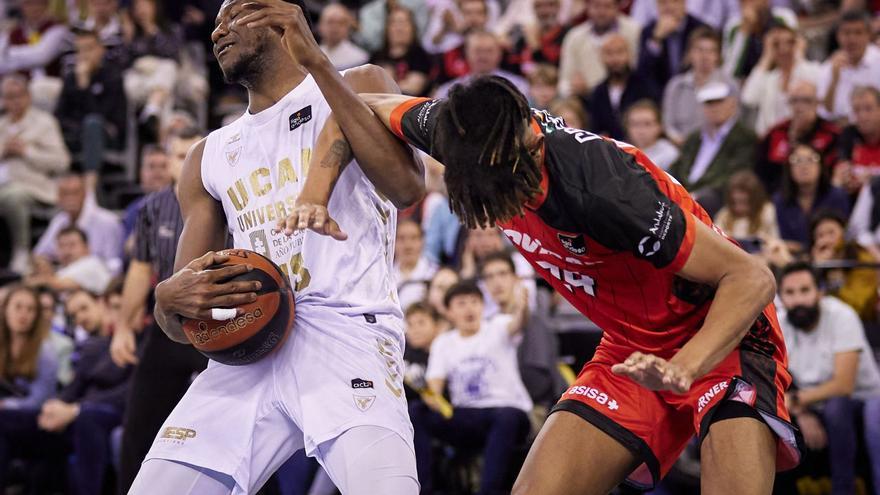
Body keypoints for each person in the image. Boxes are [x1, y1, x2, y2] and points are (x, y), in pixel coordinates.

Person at [353, 75, 803, 493]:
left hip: (724, 337)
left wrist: (684, 368)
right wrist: (315, 191)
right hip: (632, 346)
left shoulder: (602, 188)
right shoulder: (463, 132)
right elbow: (359, 92)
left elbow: (751, 276)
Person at [129, 0, 426, 493]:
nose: (217, 31)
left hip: (346, 330)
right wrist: (166, 299)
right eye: (215, 24)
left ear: (279, 14)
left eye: (233, 16)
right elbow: (184, 319)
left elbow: (407, 188)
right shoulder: (208, 154)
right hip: (248, 346)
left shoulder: (357, 82)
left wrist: (314, 59)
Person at [112, 127, 207, 494]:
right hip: (165, 328)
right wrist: (122, 327)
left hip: (216, 328)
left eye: (192, 155)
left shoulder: (225, 199)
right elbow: (139, 270)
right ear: (167, 162)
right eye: (179, 156)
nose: (185, 164)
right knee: (138, 429)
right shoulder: (153, 207)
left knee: (242, 425)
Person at [0, 288, 132, 495]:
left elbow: (130, 393)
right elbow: (74, 387)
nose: (80, 317)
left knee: (87, 419)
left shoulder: (140, 344)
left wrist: (75, 409)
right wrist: (58, 405)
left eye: (118, 307)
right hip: (76, 414)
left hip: (107, 414)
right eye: (74, 314)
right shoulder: (93, 346)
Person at [411, 280, 532, 495]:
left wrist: (522, 307)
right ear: (449, 312)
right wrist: (433, 398)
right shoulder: (443, 342)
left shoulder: (498, 327)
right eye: (461, 303)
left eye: (475, 302)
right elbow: (435, 384)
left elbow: (518, 323)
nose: (469, 308)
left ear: (483, 307)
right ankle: (424, 489)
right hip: (466, 416)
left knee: (505, 417)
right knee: (416, 411)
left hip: (507, 412)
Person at [777, 262, 880, 495]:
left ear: (819, 292)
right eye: (790, 293)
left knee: (837, 408)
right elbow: (772, 380)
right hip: (811, 402)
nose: (798, 300)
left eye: (805, 290)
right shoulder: (781, 324)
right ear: (781, 297)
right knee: (769, 415)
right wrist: (801, 412)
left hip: (861, 398)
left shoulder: (842, 315)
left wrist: (795, 402)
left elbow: (843, 385)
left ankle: (844, 489)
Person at [0, 75, 70, 273]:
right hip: (2, 184)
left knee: (13, 196)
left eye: (18, 96)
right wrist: (4, 151)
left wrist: (26, 151)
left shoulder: (44, 122)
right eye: (8, 97)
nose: (13, 101)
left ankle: (21, 251)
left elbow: (61, 162)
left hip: (33, 187)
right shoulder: (1, 125)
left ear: (28, 96)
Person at [480, 251, 563, 406]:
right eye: (489, 277)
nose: (496, 282)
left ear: (516, 279)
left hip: (535, 409)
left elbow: (538, 382)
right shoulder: (487, 325)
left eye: (502, 274)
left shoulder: (534, 322)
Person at [669, 80, 757, 216]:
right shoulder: (694, 138)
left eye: (719, 101)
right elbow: (677, 166)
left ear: (733, 104)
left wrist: (695, 194)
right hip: (684, 192)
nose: (714, 107)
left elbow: (735, 174)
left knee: (706, 199)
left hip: (714, 197)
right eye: (709, 103)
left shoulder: (744, 137)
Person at [54, 28, 128, 182]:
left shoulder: (112, 76)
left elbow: (101, 115)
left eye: (89, 49)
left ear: (100, 49)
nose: (84, 55)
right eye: (79, 50)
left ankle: (89, 193)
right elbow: (59, 115)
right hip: (76, 133)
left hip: (107, 133)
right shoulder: (70, 78)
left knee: (92, 123)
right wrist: (75, 128)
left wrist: (84, 87)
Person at [756, 80, 840, 195]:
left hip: (820, 196)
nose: (799, 107)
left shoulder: (832, 134)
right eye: (794, 101)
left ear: (817, 103)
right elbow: (761, 171)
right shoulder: (775, 133)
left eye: (806, 101)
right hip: (777, 196)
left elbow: (831, 172)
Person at [32, 173, 125, 275]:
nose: (70, 198)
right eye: (65, 194)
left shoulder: (108, 222)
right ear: (58, 197)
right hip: (63, 280)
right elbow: (39, 254)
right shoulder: (59, 220)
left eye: (75, 193)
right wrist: (43, 264)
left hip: (98, 281)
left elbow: (115, 266)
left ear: (85, 194)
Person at [740, 24, 820, 137]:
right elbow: (748, 98)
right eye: (776, 44)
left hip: (805, 137)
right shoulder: (769, 79)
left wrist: (799, 55)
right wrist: (766, 56)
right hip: (772, 140)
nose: (783, 49)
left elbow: (814, 87)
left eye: (790, 42)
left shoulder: (812, 69)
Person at [662, 26, 737, 145]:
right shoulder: (676, 85)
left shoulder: (729, 85)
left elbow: (734, 123)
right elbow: (668, 124)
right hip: (681, 147)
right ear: (690, 54)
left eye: (711, 51)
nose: (705, 56)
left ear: (718, 56)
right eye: (699, 50)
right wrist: (681, 143)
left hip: (717, 146)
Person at [774, 143, 851, 254]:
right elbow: (783, 241)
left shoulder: (837, 196)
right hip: (792, 261)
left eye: (811, 159)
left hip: (832, 258)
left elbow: (844, 236)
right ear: (788, 168)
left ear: (821, 165)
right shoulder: (780, 200)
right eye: (797, 160)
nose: (804, 166)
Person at [557, 0, 640, 97]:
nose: (601, 12)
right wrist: (573, 88)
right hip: (584, 101)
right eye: (596, 6)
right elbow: (564, 83)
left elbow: (639, 70)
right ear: (587, 7)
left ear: (617, 7)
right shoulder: (574, 37)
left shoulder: (634, 31)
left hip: (628, 97)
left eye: (607, 6)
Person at [588, 33, 660, 141]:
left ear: (629, 54)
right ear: (601, 57)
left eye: (619, 52)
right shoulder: (598, 93)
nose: (615, 59)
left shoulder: (645, 86)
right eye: (609, 53)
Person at [809, 209, 878, 321]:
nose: (826, 240)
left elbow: (857, 307)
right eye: (820, 235)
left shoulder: (863, 260)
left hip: (862, 323)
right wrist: (816, 270)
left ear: (844, 233)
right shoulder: (811, 263)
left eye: (831, 233)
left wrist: (834, 271)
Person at [0, 285, 58, 411]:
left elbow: (39, 401)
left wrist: (5, 405)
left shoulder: (45, 351)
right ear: (5, 310)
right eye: (18, 307)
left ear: (36, 316)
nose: (23, 314)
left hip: (29, 417)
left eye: (30, 309)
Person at [817, 9, 880, 123]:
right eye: (846, 33)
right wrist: (834, 80)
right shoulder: (828, 67)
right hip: (841, 130)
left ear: (868, 35)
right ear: (838, 36)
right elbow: (825, 112)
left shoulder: (878, 60)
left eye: (858, 32)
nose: (852, 39)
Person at [635, 0, 708, 91]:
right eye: (663, 2)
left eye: (675, 1)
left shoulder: (700, 29)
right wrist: (656, 39)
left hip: (694, 91)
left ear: (684, 3)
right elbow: (643, 73)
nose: (669, 7)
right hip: (659, 96)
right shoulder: (649, 32)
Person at [435, 30, 529, 99]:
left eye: (489, 51)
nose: (483, 56)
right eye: (478, 51)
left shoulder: (518, 87)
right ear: (466, 53)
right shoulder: (447, 92)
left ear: (499, 53)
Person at [721, 0, 797, 80]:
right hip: (745, 84)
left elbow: (796, 56)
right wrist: (743, 33)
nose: (752, 5)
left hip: (781, 80)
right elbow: (729, 73)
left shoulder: (783, 18)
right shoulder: (734, 26)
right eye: (746, 1)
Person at [26, 227, 114, 295]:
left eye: (72, 245)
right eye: (61, 246)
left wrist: (42, 276)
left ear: (87, 248)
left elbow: (59, 284)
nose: (66, 251)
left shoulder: (91, 263)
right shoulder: (60, 271)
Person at [368, 6, 432, 96]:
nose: (399, 28)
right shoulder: (376, 56)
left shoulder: (420, 56)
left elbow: (412, 89)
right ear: (387, 28)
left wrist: (386, 79)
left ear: (413, 29)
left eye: (404, 23)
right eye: (394, 23)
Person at [713, 170, 779, 251]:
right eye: (735, 202)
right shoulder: (725, 214)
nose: (738, 207)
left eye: (743, 202)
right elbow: (715, 239)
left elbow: (775, 242)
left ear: (754, 200)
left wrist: (764, 240)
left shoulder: (767, 211)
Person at [0, 0, 67, 79]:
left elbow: (42, 56)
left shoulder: (57, 29)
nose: (34, 8)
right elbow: (1, 61)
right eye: (29, 3)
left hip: (48, 84)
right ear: (22, 6)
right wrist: (30, 54)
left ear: (46, 5)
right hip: (17, 83)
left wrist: (9, 53)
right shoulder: (13, 32)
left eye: (38, 3)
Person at [836, 86, 880, 197]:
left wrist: (874, 180)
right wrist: (845, 179)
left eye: (868, 109)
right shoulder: (848, 135)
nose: (862, 116)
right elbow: (843, 166)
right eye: (856, 110)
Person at [395, 219, 438, 314]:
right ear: (393, 241)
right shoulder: (385, 276)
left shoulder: (435, 274)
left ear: (422, 241)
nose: (408, 245)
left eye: (413, 238)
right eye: (401, 238)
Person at [623, 100, 679, 171]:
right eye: (635, 124)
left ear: (659, 126)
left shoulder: (670, 154)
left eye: (647, 124)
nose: (641, 130)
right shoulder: (620, 151)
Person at [318, 3, 369, 71]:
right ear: (320, 25)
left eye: (341, 23)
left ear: (348, 27)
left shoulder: (360, 58)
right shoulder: (313, 55)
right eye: (330, 22)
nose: (335, 28)